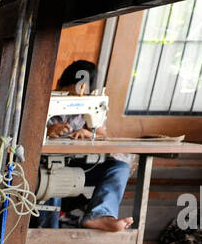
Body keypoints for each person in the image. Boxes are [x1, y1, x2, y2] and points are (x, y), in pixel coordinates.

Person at [39, 60, 133, 233]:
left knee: (119, 168)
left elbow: (104, 136)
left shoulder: (91, 106)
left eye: (81, 96)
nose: (76, 100)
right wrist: (45, 131)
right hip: (47, 167)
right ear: (60, 84)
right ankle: (47, 233)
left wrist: (93, 135)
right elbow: (23, 137)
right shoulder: (41, 104)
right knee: (54, 174)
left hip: (83, 167)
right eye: (71, 94)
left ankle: (99, 215)